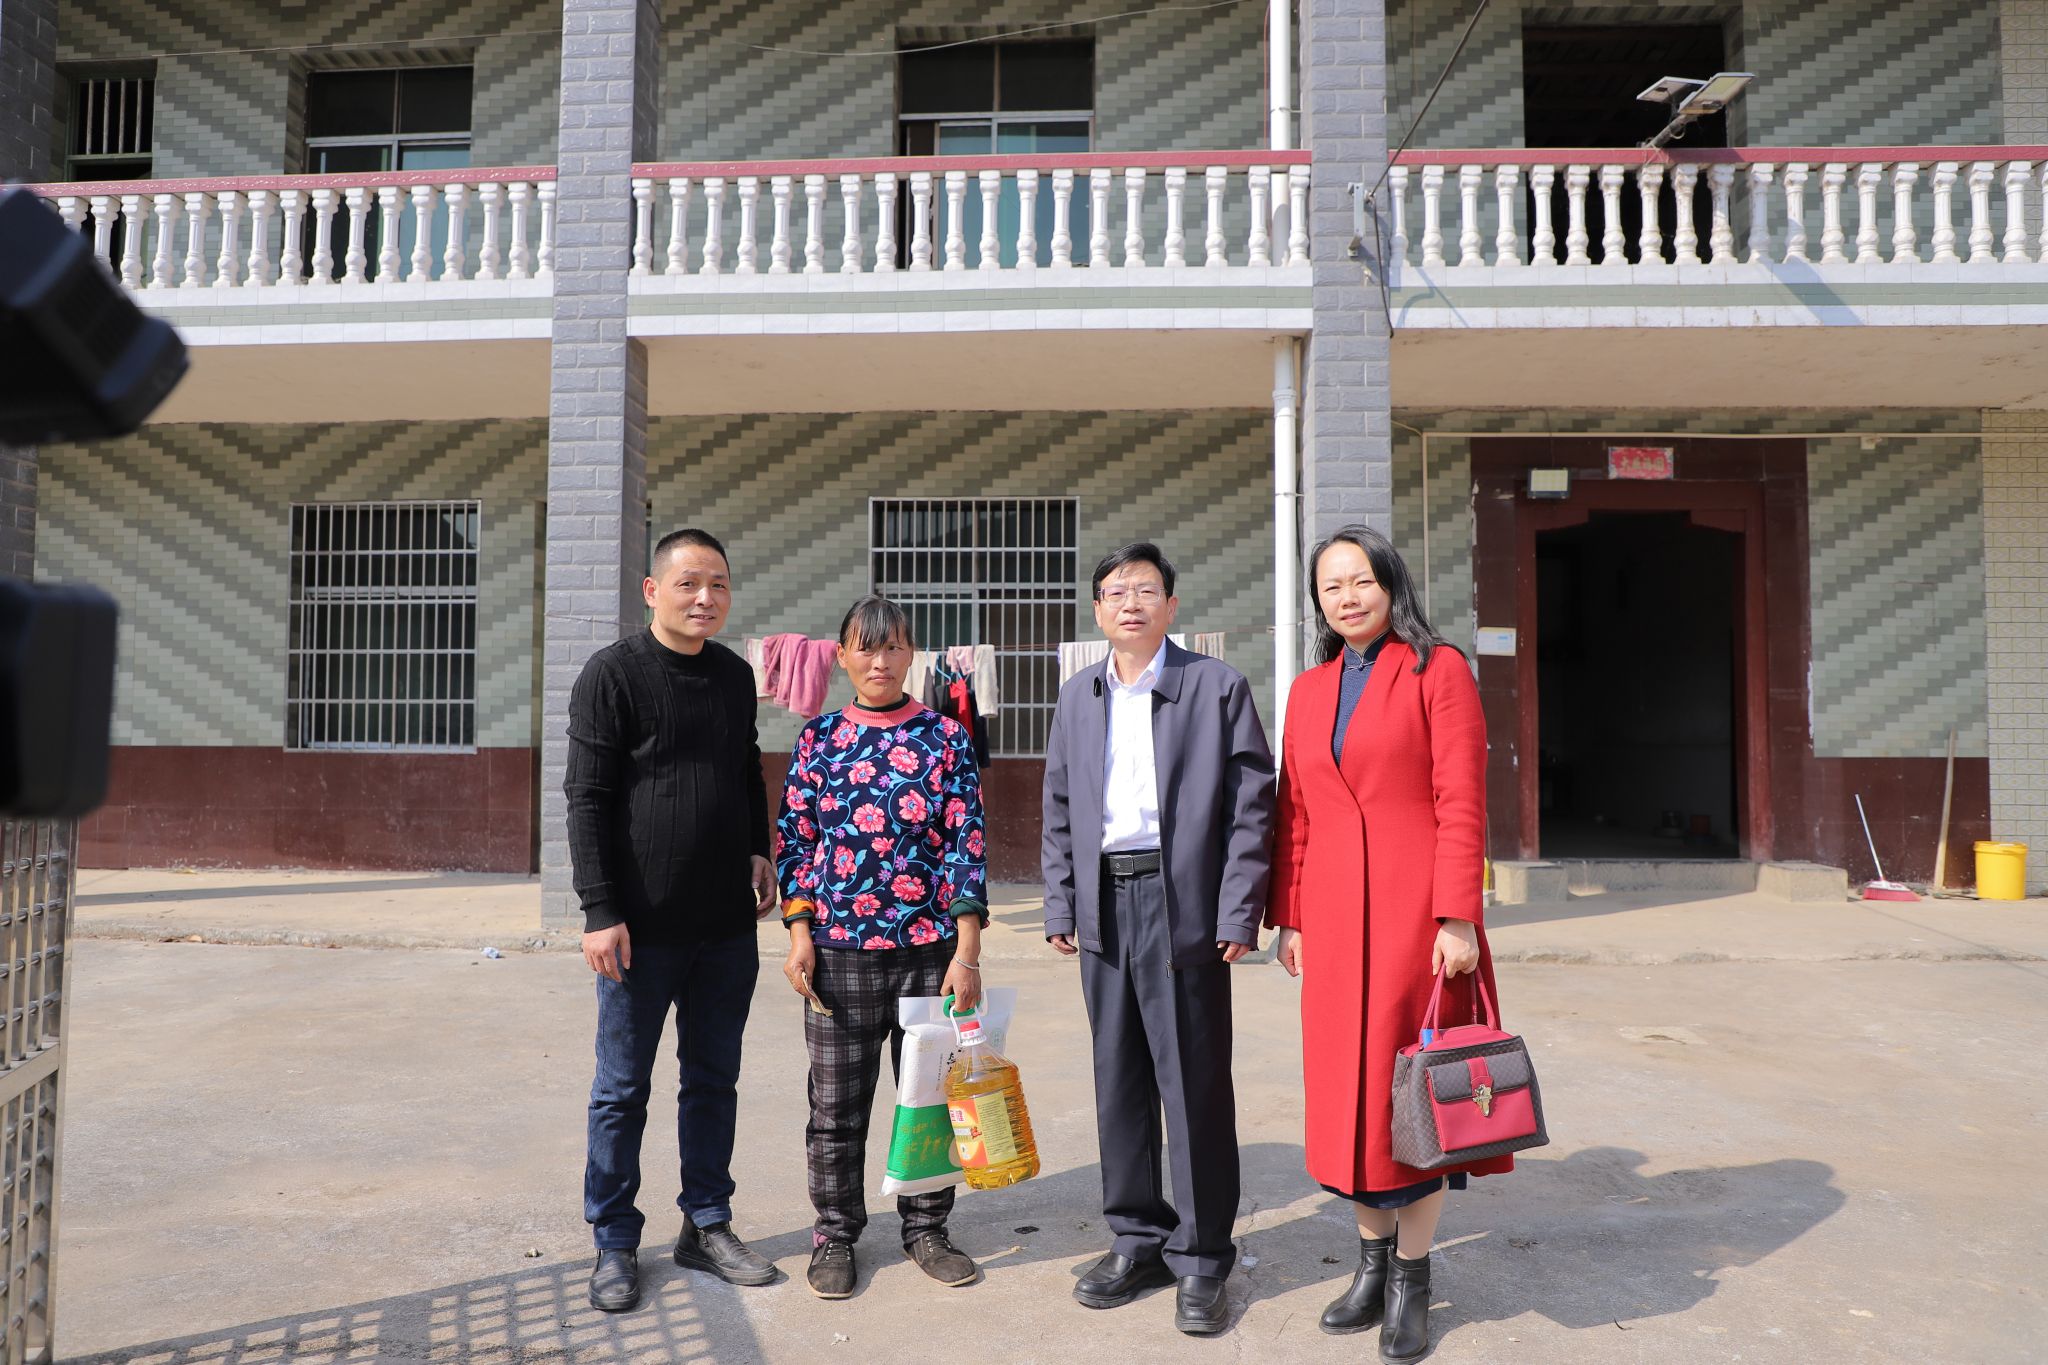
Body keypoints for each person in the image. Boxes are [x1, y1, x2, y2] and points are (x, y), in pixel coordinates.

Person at [1266, 524, 1511, 1363]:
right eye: (1331, 585)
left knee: (1414, 1097)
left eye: (1361, 579)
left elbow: (1461, 797)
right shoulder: (1308, 691)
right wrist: (1291, 915)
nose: (1347, 596)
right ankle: (1370, 1264)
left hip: (1416, 918)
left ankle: (1412, 1275)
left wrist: (1457, 915)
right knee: (1352, 1098)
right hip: (1334, 923)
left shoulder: (1437, 670)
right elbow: (1295, 813)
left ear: (1391, 583)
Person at [1041, 543, 1275, 1337]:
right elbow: (1059, 804)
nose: (1130, 603)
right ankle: (1137, 1237)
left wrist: (1238, 910)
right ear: (1097, 610)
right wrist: (1062, 901)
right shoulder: (1079, 696)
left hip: (1185, 905)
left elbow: (1252, 808)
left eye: (1145, 590)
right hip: (1105, 899)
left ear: (1172, 605)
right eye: (1115, 592)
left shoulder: (1215, 687)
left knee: (1193, 1081)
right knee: (1119, 1077)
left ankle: (1203, 1255)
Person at [565, 528, 781, 1314]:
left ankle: (707, 1222)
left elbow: (746, 768)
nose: (705, 598)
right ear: (653, 591)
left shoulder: (733, 675)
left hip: (725, 924)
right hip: (639, 928)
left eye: (717, 583)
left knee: (713, 1079)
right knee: (622, 1088)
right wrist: (599, 909)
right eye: (689, 583)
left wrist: (759, 847)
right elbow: (586, 796)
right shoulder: (613, 674)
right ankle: (614, 1239)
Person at [777, 595, 990, 1301]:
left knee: (928, 1100)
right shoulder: (819, 739)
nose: (880, 661)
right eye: (866, 647)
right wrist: (800, 934)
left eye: (893, 646)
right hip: (838, 953)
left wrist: (966, 952)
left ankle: (927, 1228)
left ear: (911, 655)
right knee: (836, 1107)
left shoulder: (945, 737)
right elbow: (798, 842)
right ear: (841, 655)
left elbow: (965, 844)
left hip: (929, 952)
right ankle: (835, 1234)